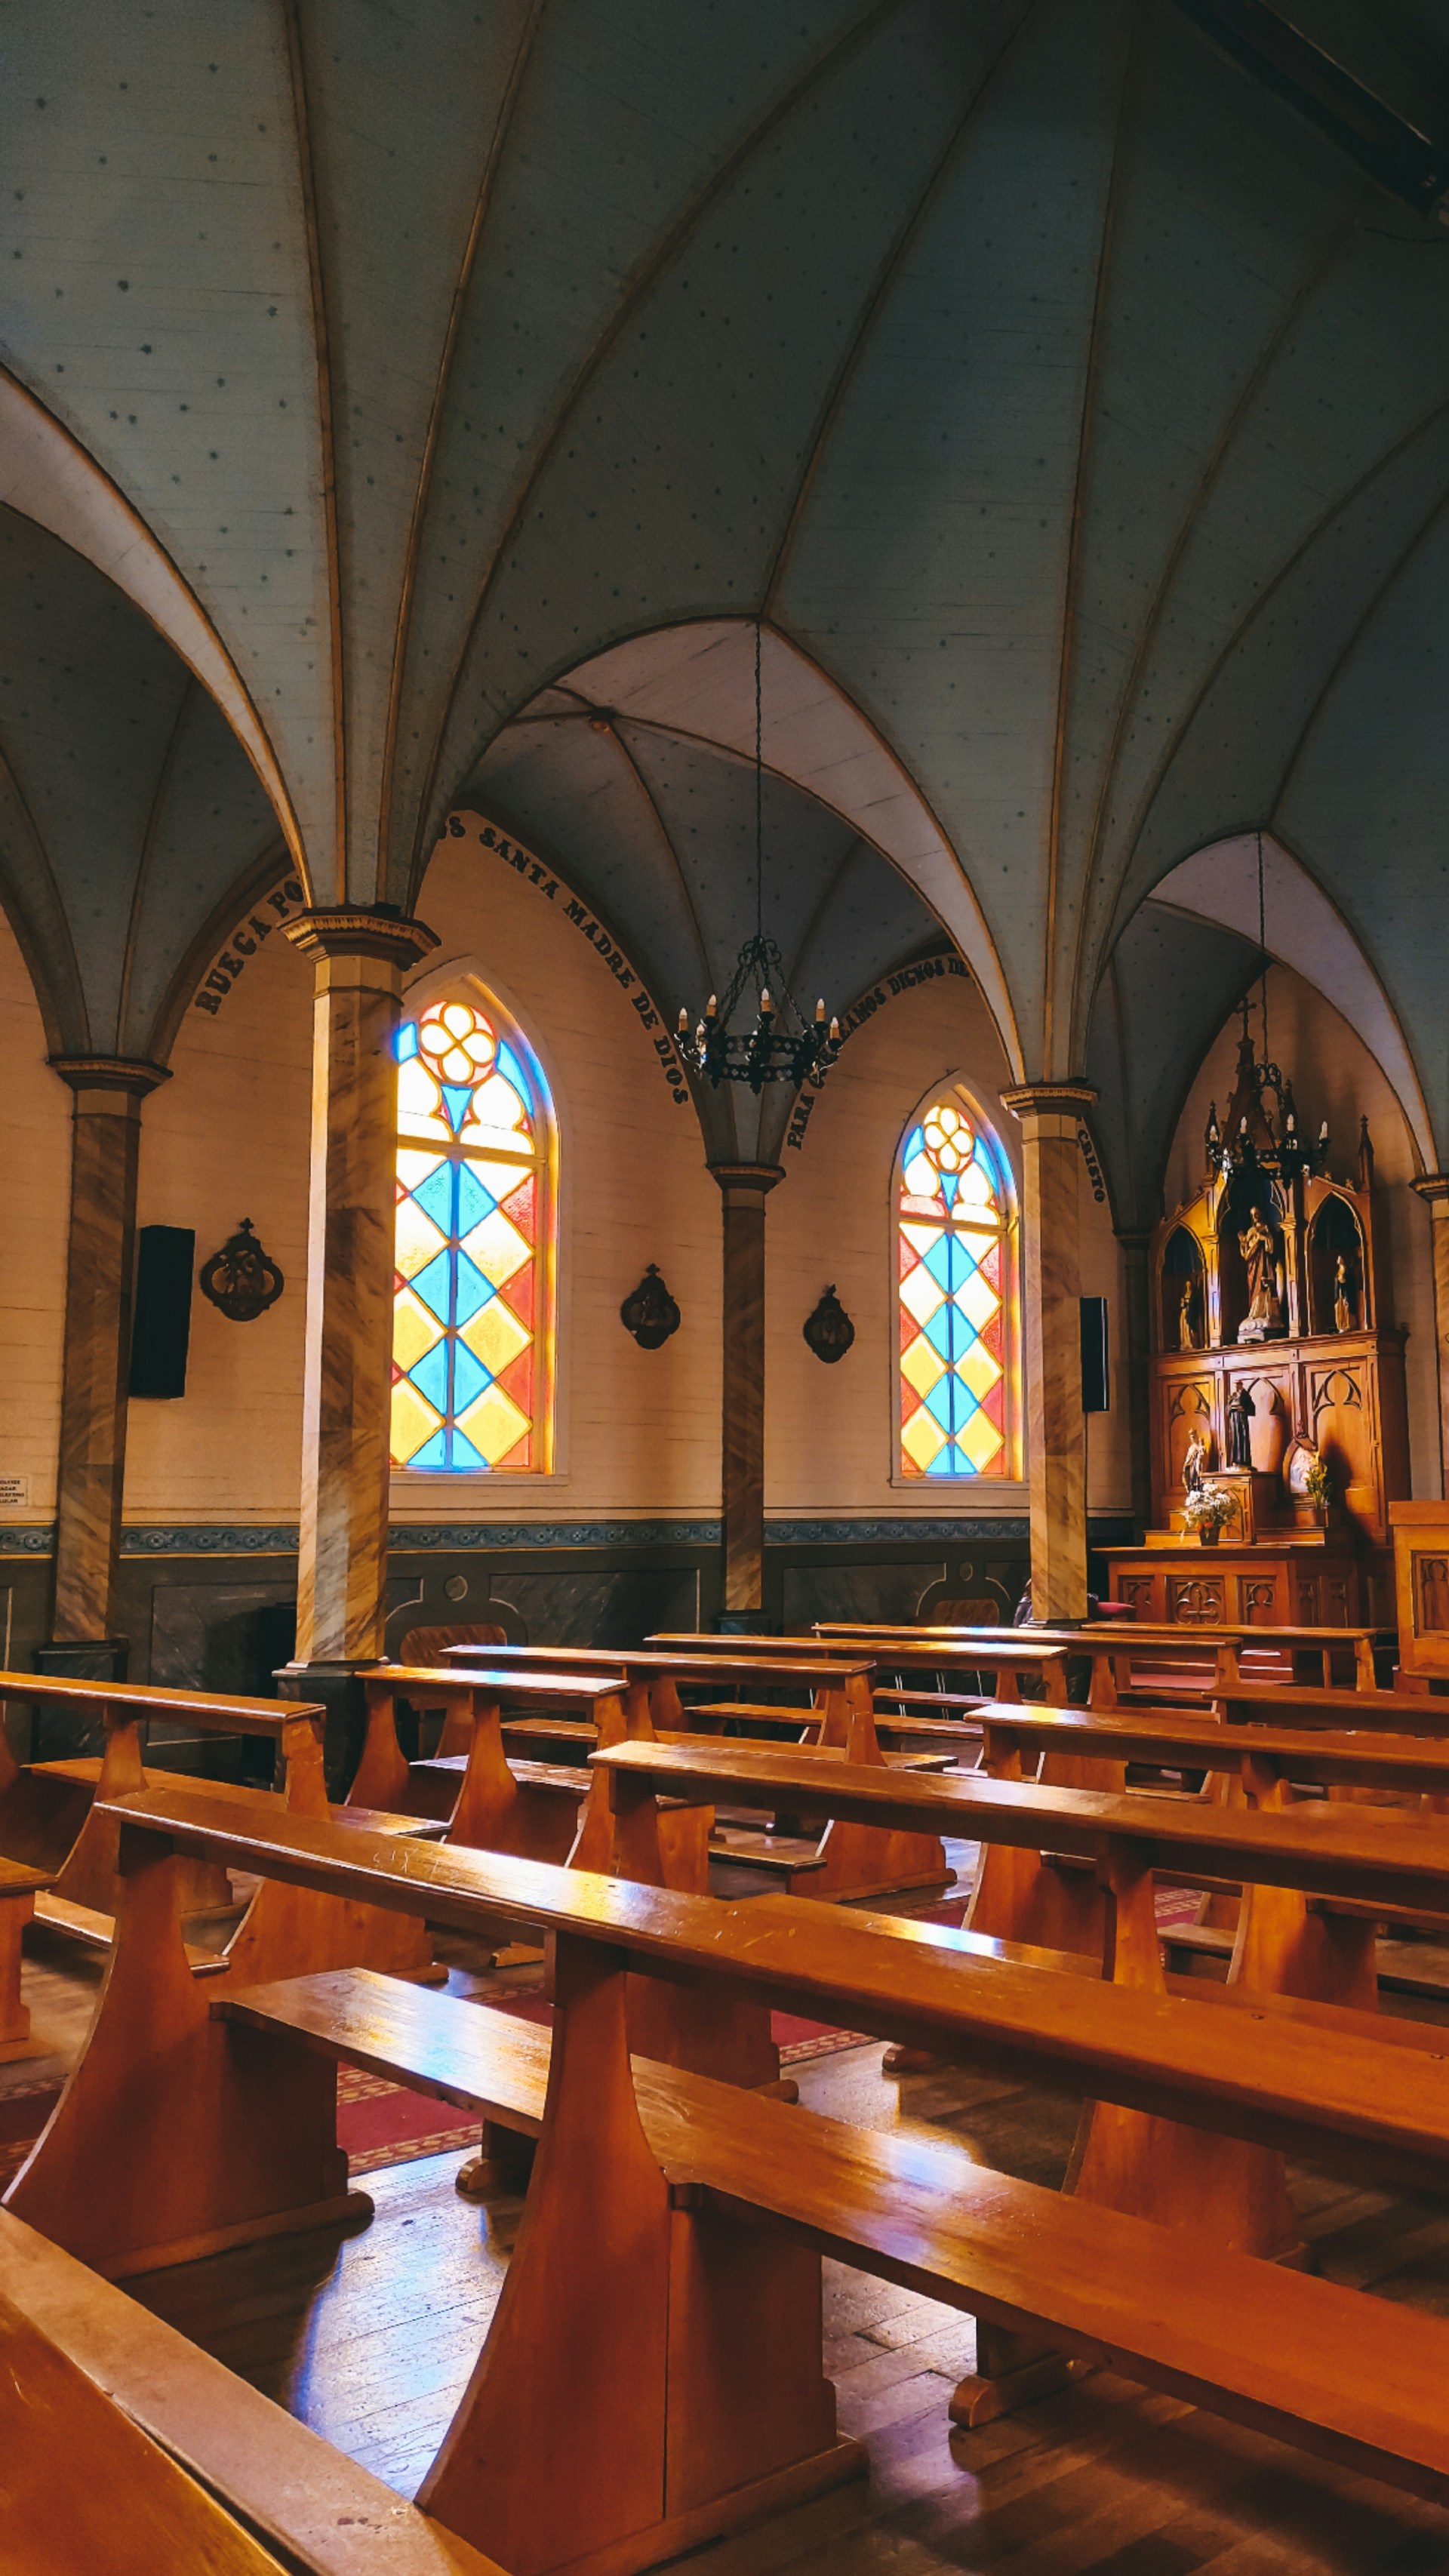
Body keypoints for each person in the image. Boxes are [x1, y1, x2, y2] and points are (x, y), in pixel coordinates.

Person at [1238, 1205, 1284, 1340]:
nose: (1255, 1217)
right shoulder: (1251, 1230)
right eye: (1253, 1215)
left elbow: (1272, 1247)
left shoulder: (1268, 1228)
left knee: (1265, 1284)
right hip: (1253, 1264)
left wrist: (1264, 1239)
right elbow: (1246, 1252)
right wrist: (1243, 1242)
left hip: (1265, 1262)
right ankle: (1255, 1312)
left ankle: (1267, 1312)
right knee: (1254, 1287)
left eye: (1257, 1213)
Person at [1226, 1382, 1254, 1469]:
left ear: (1241, 1386)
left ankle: (1244, 1461)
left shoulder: (1245, 1395)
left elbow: (1251, 1408)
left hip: (1241, 1419)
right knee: (1235, 1439)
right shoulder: (1233, 1396)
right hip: (1234, 1420)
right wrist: (1231, 1409)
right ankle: (1236, 1460)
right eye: (1235, 1386)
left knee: (1243, 1439)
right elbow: (1228, 1408)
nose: (1236, 1387)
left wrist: (1243, 1409)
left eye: (1237, 1386)